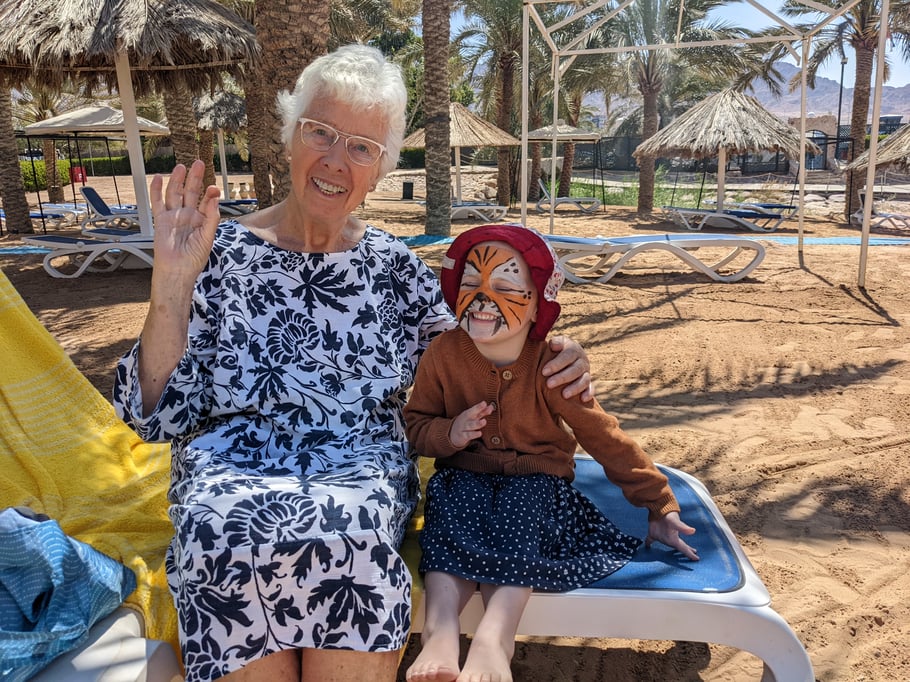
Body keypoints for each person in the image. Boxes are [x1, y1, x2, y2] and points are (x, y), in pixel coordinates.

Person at [112, 45, 592, 682]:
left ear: (381, 169)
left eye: (363, 147)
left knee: (354, 534)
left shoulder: (394, 269)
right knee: (220, 535)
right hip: (229, 474)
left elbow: (485, 357)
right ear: (290, 137)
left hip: (360, 472)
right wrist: (172, 280)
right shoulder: (215, 251)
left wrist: (556, 352)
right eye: (322, 133)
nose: (337, 160)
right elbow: (155, 414)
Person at [402, 224, 699, 682]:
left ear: (539, 301)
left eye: (504, 287)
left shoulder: (551, 362)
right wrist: (450, 434)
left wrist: (658, 503)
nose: (483, 299)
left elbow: (602, 435)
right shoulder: (443, 353)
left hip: (537, 486)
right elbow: (416, 426)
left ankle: (493, 641)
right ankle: (440, 637)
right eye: (470, 284)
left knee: (525, 513)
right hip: (464, 475)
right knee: (449, 519)